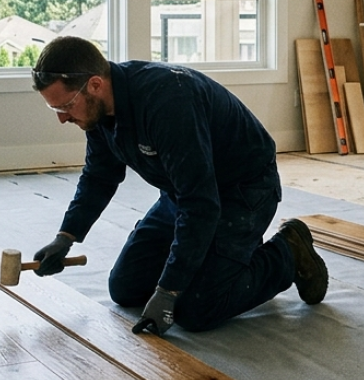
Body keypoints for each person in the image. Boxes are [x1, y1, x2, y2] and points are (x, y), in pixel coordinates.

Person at [29, 35, 329, 336]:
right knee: (125, 287)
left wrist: (169, 291)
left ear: (95, 84)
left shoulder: (167, 102)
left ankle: (287, 252)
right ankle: (221, 262)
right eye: (56, 109)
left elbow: (200, 204)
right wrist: (66, 237)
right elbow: (99, 176)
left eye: (66, 105)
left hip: (243, 191)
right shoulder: (98, 113)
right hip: (184, 192)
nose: (63, 118)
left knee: (196, 309)